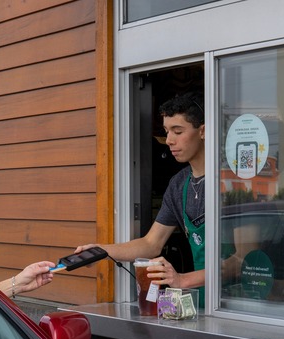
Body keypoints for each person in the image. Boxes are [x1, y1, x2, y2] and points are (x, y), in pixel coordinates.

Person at [75, 91, 211, 306]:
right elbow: (151, 244)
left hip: (240, 302)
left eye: (178, 131)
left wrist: (183, 279)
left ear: (202, 131)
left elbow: (239, 261)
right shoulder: (178, 184)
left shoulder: (228, 179)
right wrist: (102, 250)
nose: (168, 140)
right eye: (167, 131)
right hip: (202, 299)